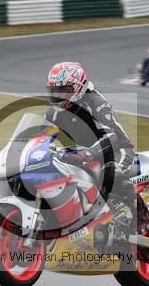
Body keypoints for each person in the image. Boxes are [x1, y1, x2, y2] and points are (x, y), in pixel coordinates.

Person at [44, 62, 137, 213]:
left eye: (63, 90)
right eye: (54, 90)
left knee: (110, 174)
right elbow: (41, 136)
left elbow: (111, 137)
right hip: (85, 152)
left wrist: (89, 153)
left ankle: (138, 208)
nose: (57, 95)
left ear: (78, 87)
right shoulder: (53, 112)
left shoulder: (96, 103)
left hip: (117, 150)